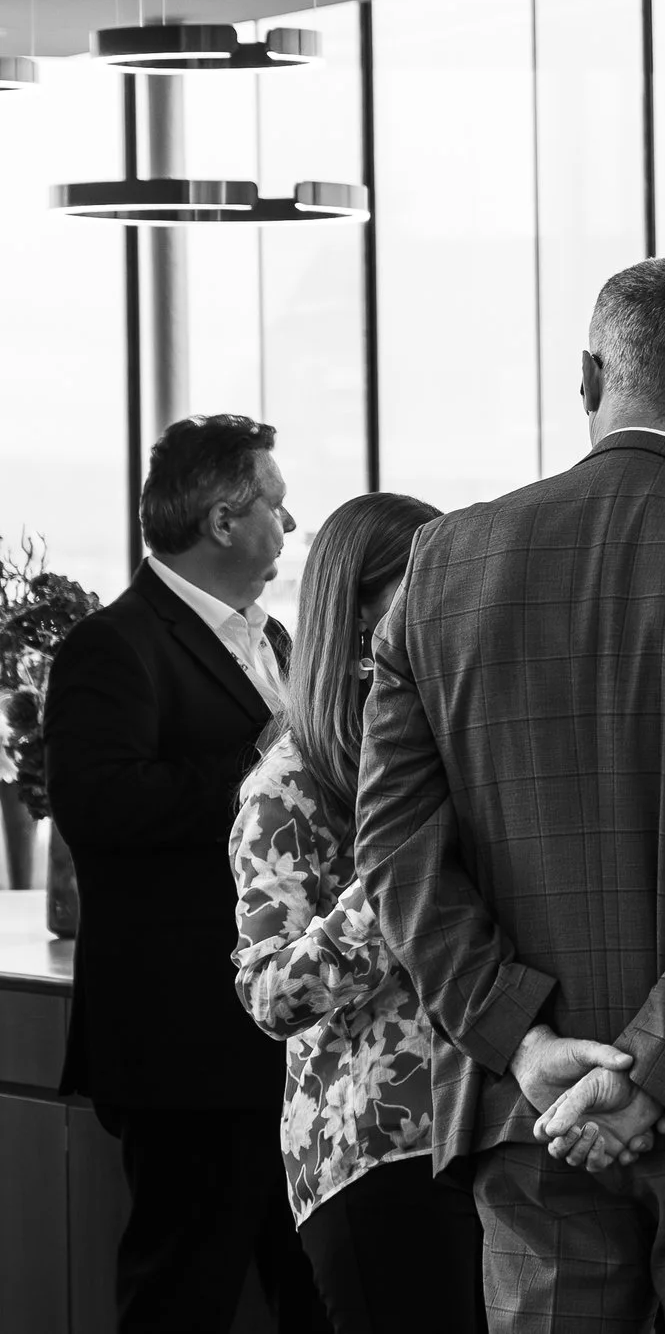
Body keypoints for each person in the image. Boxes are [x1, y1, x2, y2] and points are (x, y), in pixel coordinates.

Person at [357, 258, 665, 1333]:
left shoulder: (443, 561)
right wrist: (657, 1067)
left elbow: (397, 851)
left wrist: (525, 1042)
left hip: (527, 1105)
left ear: (588, 373)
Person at [44, 413, 331, 1334]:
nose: (291, 527)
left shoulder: (279, 641)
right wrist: (264, 768)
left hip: (282, 1033)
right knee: (182, 1298)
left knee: (317, 1295)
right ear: (221, 520)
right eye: (276, 506)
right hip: (182, 1045)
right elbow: (100, 809)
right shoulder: (109, 647)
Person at [229, 492, 485, 1334]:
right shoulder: (287, 782)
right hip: (372, 1153)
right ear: (360, 610)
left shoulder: (456, 740)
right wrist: (392, 879)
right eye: (425, 587)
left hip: (483, 1136)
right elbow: (270, 995)